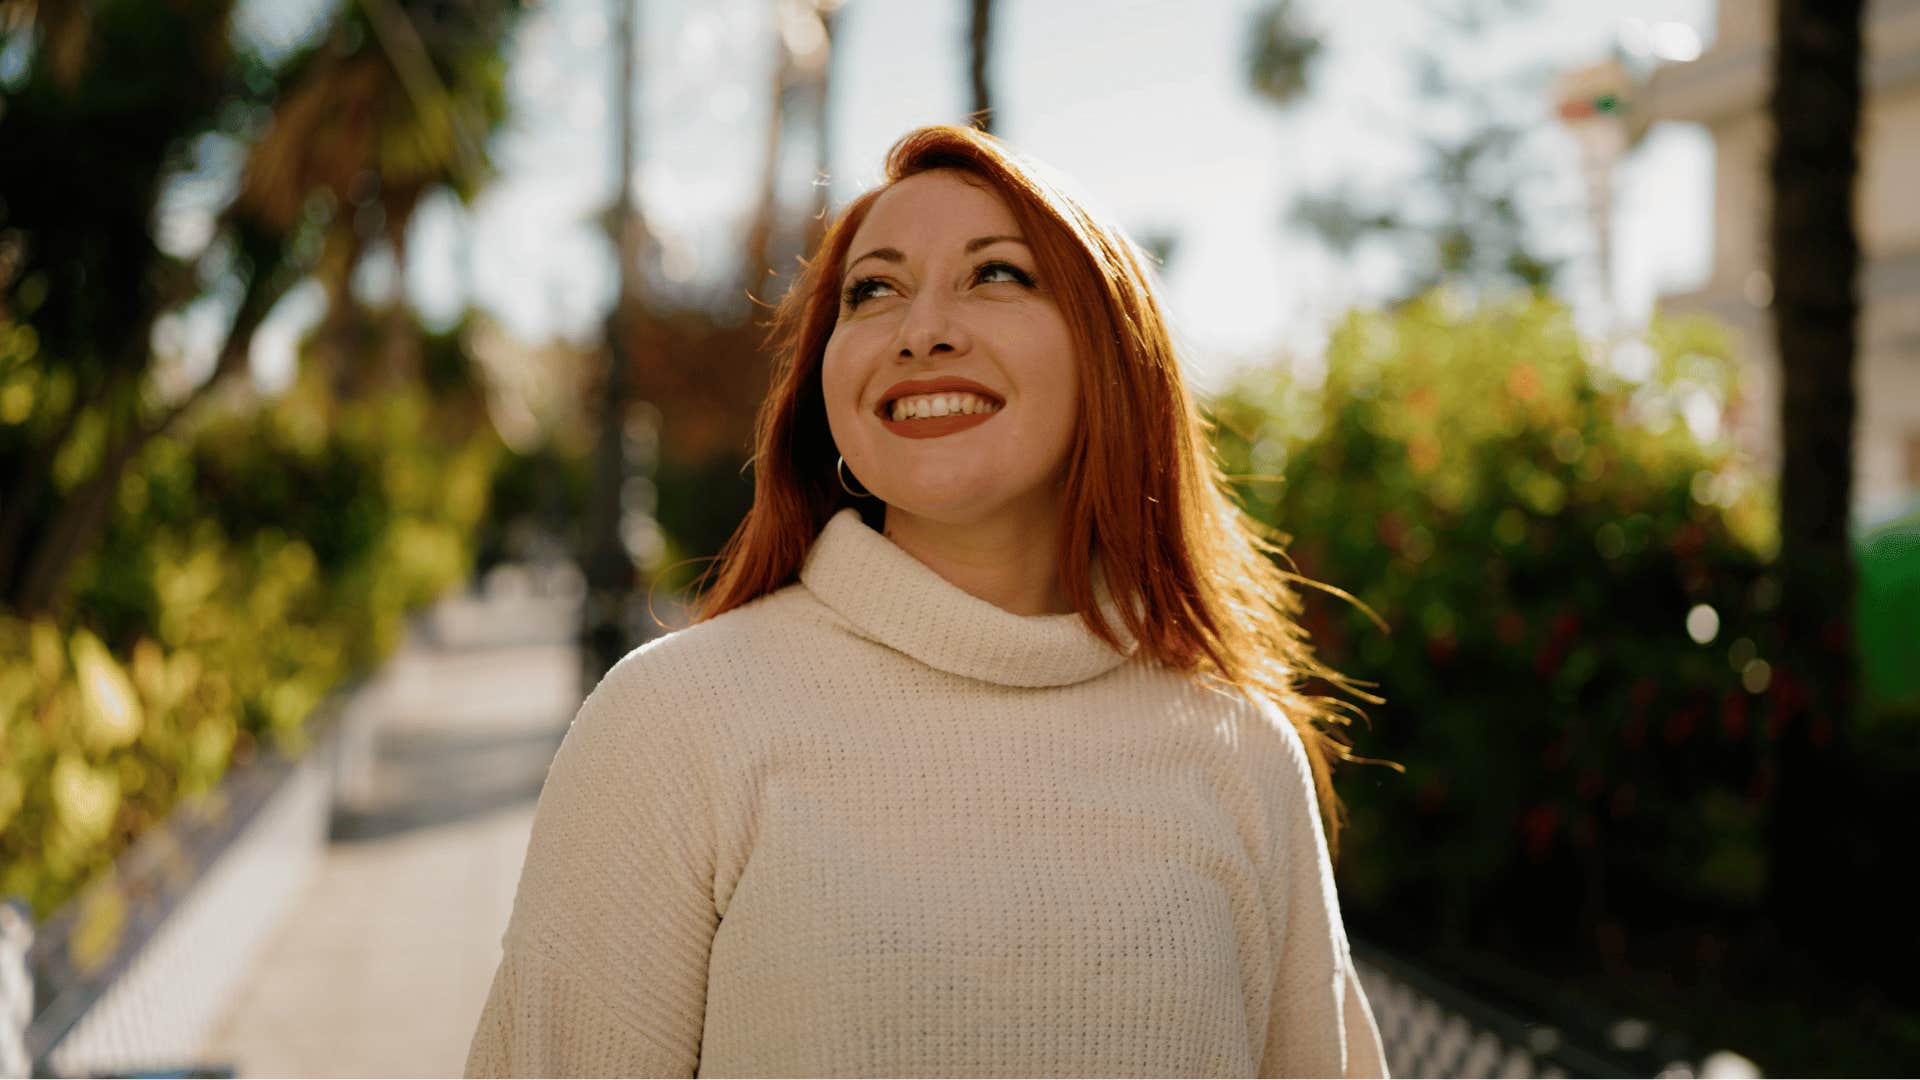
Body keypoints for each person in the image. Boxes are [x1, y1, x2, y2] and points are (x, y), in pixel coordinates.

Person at [464, 124, 1389, 1078]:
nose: (923, 329)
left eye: (996, 275)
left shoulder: (1239, 750)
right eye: (874, 290)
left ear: (1113, 357)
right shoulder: (675, 722)